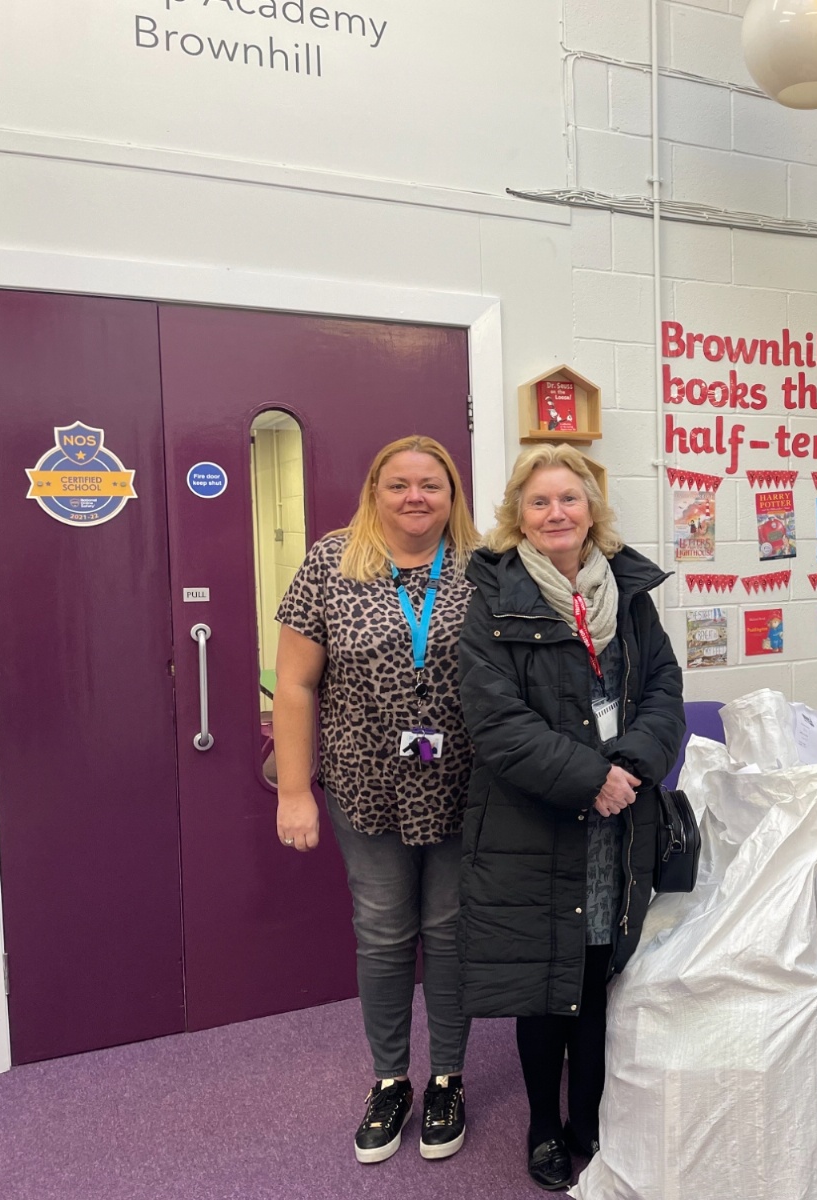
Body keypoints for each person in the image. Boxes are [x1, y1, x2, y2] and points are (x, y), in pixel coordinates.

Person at [456, 444, 686, 1192]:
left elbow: (663, 689)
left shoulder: (630, 591)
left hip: (620, 818)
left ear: (592, 510)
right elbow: (496, 722)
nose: (556, 513)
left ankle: (588, 1118)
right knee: (545, 983)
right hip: (537, 818)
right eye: (539, 501)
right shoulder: (493, 596)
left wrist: (633, 768)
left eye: (569, 499)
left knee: (597, 968)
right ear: (518, 516)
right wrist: (593, 780)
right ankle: (544, 1127)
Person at [274, 435, 482, 1165]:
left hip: (463, 786)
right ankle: (391, 1080)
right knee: (385, 931)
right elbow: (294, 684)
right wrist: (294, 790)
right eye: (398, 484)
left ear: (452, 495)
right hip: (365, 785)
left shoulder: (484, 566)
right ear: (374, 492)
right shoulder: (331, 562)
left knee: (452, 933)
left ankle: (448, 1078)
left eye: (431, 484)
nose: (415, 497)